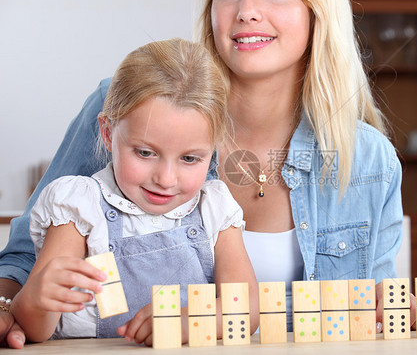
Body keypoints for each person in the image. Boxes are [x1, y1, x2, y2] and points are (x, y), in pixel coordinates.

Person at [0, 0, 414, 348]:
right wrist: (9, 306)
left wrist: (394, 307)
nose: (246, 10)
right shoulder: (134, 108)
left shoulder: (367, 157)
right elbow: (22, 262)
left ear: (318, 7)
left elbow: (379, 300)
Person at [7, 38, 258, 345]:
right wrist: (34, 299)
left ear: (213, 150)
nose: (166, 179)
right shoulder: (79, 207)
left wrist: (196, 320)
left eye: (190, 159)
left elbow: (247, 310)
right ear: (108, 132)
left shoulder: (214, 209)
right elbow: (34, 329)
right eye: (144, 153)